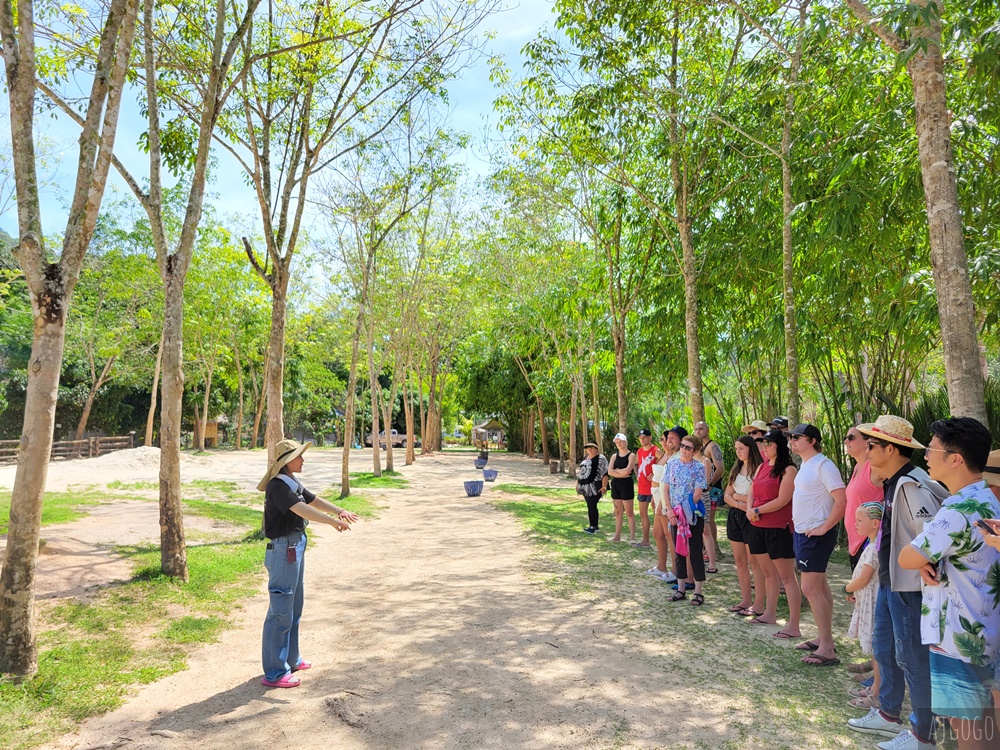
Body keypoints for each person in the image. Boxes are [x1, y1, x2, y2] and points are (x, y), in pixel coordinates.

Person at [848, 415, 948, 750]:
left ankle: (923, 735)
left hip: (908, 588)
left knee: (913, 660)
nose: (868, 450)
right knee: (885, 648)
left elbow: (931, 532)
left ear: (891, 449)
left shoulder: (913, 484)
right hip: (890, 583)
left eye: (873, 445)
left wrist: (924, 562)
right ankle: (889, 714)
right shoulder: (893, 480)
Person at [899, 418, 1000, 750]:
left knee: (965, 729)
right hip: (985, 627)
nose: (926, 456)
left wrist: (923, 558)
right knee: (986, 724)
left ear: (956, 458)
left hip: (958, 634)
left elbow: (908, 558)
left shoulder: (957, 509)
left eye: (932, 449)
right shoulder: (988, 499)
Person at [258, 439, 358, 688]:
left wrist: (338, 510)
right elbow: (302, 509)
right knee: (281, 608)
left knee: (294, 605)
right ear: (286, 461)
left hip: (295, 546)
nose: (303, 460)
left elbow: (312, 500)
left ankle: (290, 659)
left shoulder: (292, 481)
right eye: (300, 456)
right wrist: (331, 522)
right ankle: (274, 672)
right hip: (283, 549)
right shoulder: (278, 486)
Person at [786, 423, 846, 667]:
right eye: (791, 437)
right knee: (819, 586)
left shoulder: (824, 465)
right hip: (804, 533)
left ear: (812, 440)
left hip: (816, 535)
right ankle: (824, 638)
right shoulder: (806, 465)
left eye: (797, 437)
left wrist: (824, 527)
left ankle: (827, 648)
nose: (792, 441)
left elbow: (841, 501)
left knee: (809, 588)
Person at [745, 429, 801, 638]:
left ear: (779, 445)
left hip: (778, 528)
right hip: (757, 527)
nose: (764, 447)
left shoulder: (788, 470)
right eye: (763, 444)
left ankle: (794, 625)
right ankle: (769, 613)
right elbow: (752, 491)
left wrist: (757, 510)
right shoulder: (761, 467)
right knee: (768, 573)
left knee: (787, 577)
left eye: (768, 443)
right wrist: (751, 510)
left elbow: (783, 499)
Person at [845, 502, 883, 710]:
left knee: (877, 649)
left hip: (874, 603)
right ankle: (875, 688)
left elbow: (864, 578)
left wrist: (847, 588)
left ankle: (876, 691)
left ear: (876, 523)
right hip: (866, 600)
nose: (855, 523)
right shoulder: (871, 545)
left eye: (860, 520)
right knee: (874, 649)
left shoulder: (875, 549)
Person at [664, 434, 708, 605]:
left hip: (691, 516)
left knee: (695, 551)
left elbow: (698, 493)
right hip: (674, 515)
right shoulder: (672, 464)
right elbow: (666, 488)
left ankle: (698, 591)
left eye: (688, 447)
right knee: (678, 551)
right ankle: (680, 588)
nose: (683, 449)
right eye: (682, 446)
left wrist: (682, 511)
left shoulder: (698, 467)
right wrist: (670, 510)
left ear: (695, 451)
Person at [723, 435, 764, 613]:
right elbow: (726, 495)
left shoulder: (759, 469)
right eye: (736, 448)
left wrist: (739, 498)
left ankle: (759, 604)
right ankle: (745, 600)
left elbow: (756, 498)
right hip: (736, 515)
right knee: (740, 561)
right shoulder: (737, 468)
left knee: (754, 562)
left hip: (752, 517)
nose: (738, 452)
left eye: (741, 448)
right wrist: (740, 503)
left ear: (750, 448)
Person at [845, 425, 885, 571]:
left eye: (851, 437)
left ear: (867, 441)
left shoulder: (875, 468)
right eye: (845, 438)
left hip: (868, 539)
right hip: (854, 539)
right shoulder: (856, 467)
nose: (846, 441)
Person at [694, 420, 724, 572]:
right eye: (696, 429)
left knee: (709, 519)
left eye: (701, 429)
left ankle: (711, 551)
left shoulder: (712, 446)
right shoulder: (698, 449)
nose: (698, 431)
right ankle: (706, 549)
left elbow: (720, 468)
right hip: (703, 487)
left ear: (708, 429)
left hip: (712, 487)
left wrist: (710, 484)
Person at [607, 432, 637, 543]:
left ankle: (632, 537)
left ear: (625, 442)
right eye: (617, 442)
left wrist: (617, 471)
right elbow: (610, 471)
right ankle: (617, 536)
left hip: (627, 485)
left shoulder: (632, 455)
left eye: (621, 442)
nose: (619, 444)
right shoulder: (614, 456)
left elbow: (628, 471)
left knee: (629, 512)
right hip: (616, 485)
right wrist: (621, 472)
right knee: (618, 512)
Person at [635, 428, 662, 547]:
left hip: (653, 488)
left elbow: (666, 463)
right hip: (642, 487)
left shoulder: (656, 450)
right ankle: (645, 540)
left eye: (644, 437)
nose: (642, 439)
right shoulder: (639, 451)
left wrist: (656, 475)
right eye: (640, 437)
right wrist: (637, 475)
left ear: (650, 437)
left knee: (658, 514)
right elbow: (636, 464)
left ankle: (661, 541)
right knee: (643, 514)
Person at [577, 441, 609, 534]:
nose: (590, 449)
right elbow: (581, 472)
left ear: (597, 448)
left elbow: (605, 473)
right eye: (588, 447)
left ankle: (593, 526)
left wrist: (604, 486)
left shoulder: (601, 458)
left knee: (592, 505)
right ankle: (594, 525)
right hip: (585, 486)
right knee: (590, 505)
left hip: (595, 486)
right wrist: (577, 484)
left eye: (592, 447)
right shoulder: (585, 458)